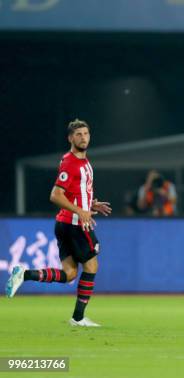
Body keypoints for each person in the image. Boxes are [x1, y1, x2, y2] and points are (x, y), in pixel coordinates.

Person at [6, 119, 112, 327]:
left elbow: (76, 193)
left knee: (70, 274)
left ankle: (24, 274)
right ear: (70, 138)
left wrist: (92, 204)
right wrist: (81, 211)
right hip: (75, 224)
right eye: (78, 134)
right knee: (91, 265)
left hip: (66, 223)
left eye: (86, 133)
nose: (83, 137)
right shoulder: (71, 163)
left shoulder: (83, 162)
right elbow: (55, 195)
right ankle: (78, 318)